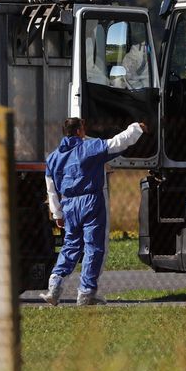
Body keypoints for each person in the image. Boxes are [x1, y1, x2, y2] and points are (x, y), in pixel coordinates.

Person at [40, 117, 146, 306]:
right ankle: (86, 292)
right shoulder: (89, 148)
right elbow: (117, 142)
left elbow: (51, 189)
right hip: (91, 202)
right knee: (94, 246)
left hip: (69, 205)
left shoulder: (53, 157)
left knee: (70, 244)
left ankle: (54, 286)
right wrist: (136, 128)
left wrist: (57, 214)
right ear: (80, 131)